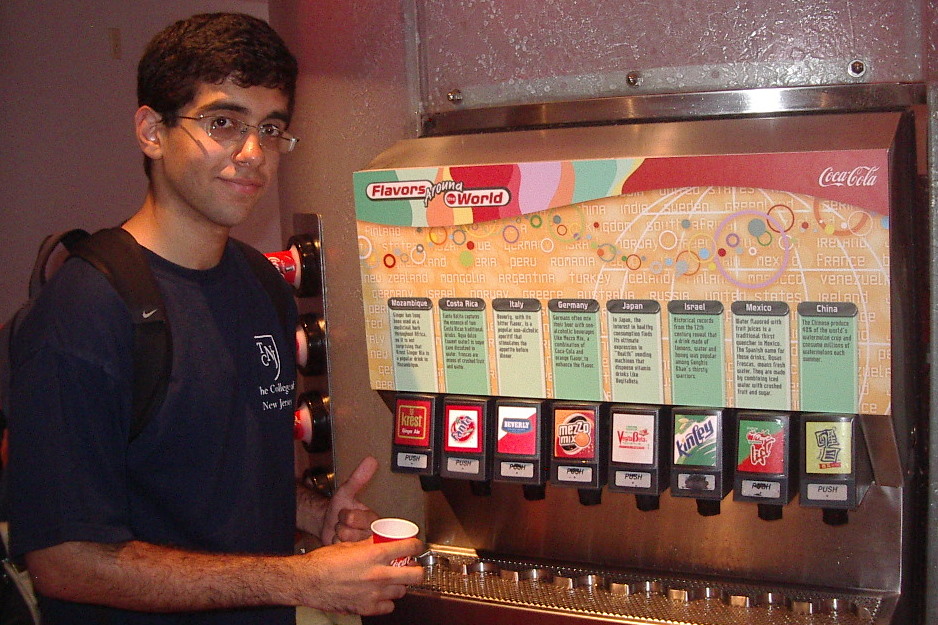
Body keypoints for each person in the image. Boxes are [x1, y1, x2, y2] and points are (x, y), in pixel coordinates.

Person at [6, 12, 423, 624]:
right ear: (152, 131)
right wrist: (299, 578)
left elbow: (221, 476)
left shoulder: (261, 286)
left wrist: (315, 516)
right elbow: (63, 560)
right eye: (223, 123)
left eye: (271, 128)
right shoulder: (85, 309)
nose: (253, 154)